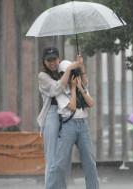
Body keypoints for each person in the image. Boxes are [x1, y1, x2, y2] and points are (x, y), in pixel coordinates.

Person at [45, 60, 99, 189]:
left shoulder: (81, 87)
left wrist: (80, 87)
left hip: (83, 125)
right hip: (68, 126)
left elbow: (91, 103)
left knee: (90, 163)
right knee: (59, 163)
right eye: (70, 73)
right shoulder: (60, 90)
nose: (72, 77)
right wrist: (74, 88)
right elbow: (73, 106)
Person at [36, 46, 83, 185]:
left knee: (65, 158)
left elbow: (82, 85)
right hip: (52, 114)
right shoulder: (42, 76)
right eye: (48, 60)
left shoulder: (63, 71)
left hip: (67, 115)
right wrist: (68, 70)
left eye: (54, 59)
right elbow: (56, 89)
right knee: (51, 158)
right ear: (44, 61)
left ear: (59, 58)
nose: (52, 62)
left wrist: (80, 66)